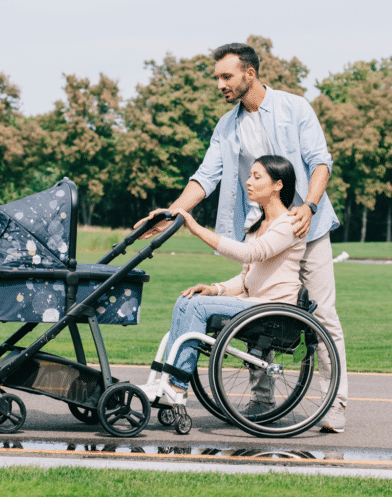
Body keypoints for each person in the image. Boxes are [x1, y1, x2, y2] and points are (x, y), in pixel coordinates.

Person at [134, 42, 347, 433]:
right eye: (217, 77)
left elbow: (320, 161)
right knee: (255, 304)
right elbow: (205, 177)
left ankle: (335, 404)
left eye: (226, 76)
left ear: (250, 74)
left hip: (305, 226)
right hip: (261, 227)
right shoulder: (227, 125)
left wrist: (310, 205)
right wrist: (171, 213)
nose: (220, 84)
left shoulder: (293, 107)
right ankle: (262, 400)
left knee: (324, 317)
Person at [137, 155, 304, 413]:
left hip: (273, 309)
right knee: (188, 299)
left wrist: (195, 228)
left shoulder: (289, 224)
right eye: (249, 176)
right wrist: (214, 288)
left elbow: (250, 254)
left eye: (257, 177)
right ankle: (167, 381)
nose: (248, 182)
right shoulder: (258, 225)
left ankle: (177, 387)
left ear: (277, 185)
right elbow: (246, 279)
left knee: (197, 308)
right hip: (253, 304)